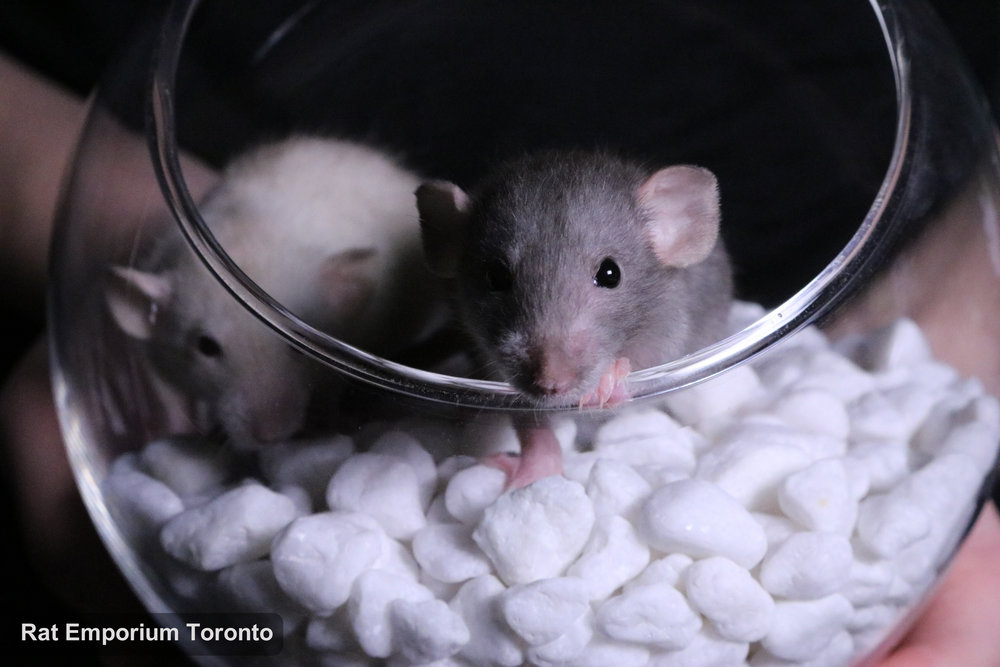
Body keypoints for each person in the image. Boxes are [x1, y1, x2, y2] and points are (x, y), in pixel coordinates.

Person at [3, 15, 1000, 664]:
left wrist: (956, 333)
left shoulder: (674, 258)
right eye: (497, 285)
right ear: (448, 240)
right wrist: (159, 256)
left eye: (604, 281)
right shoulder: (461, 275)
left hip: (884, 259)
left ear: (676, 228)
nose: (549, 357)